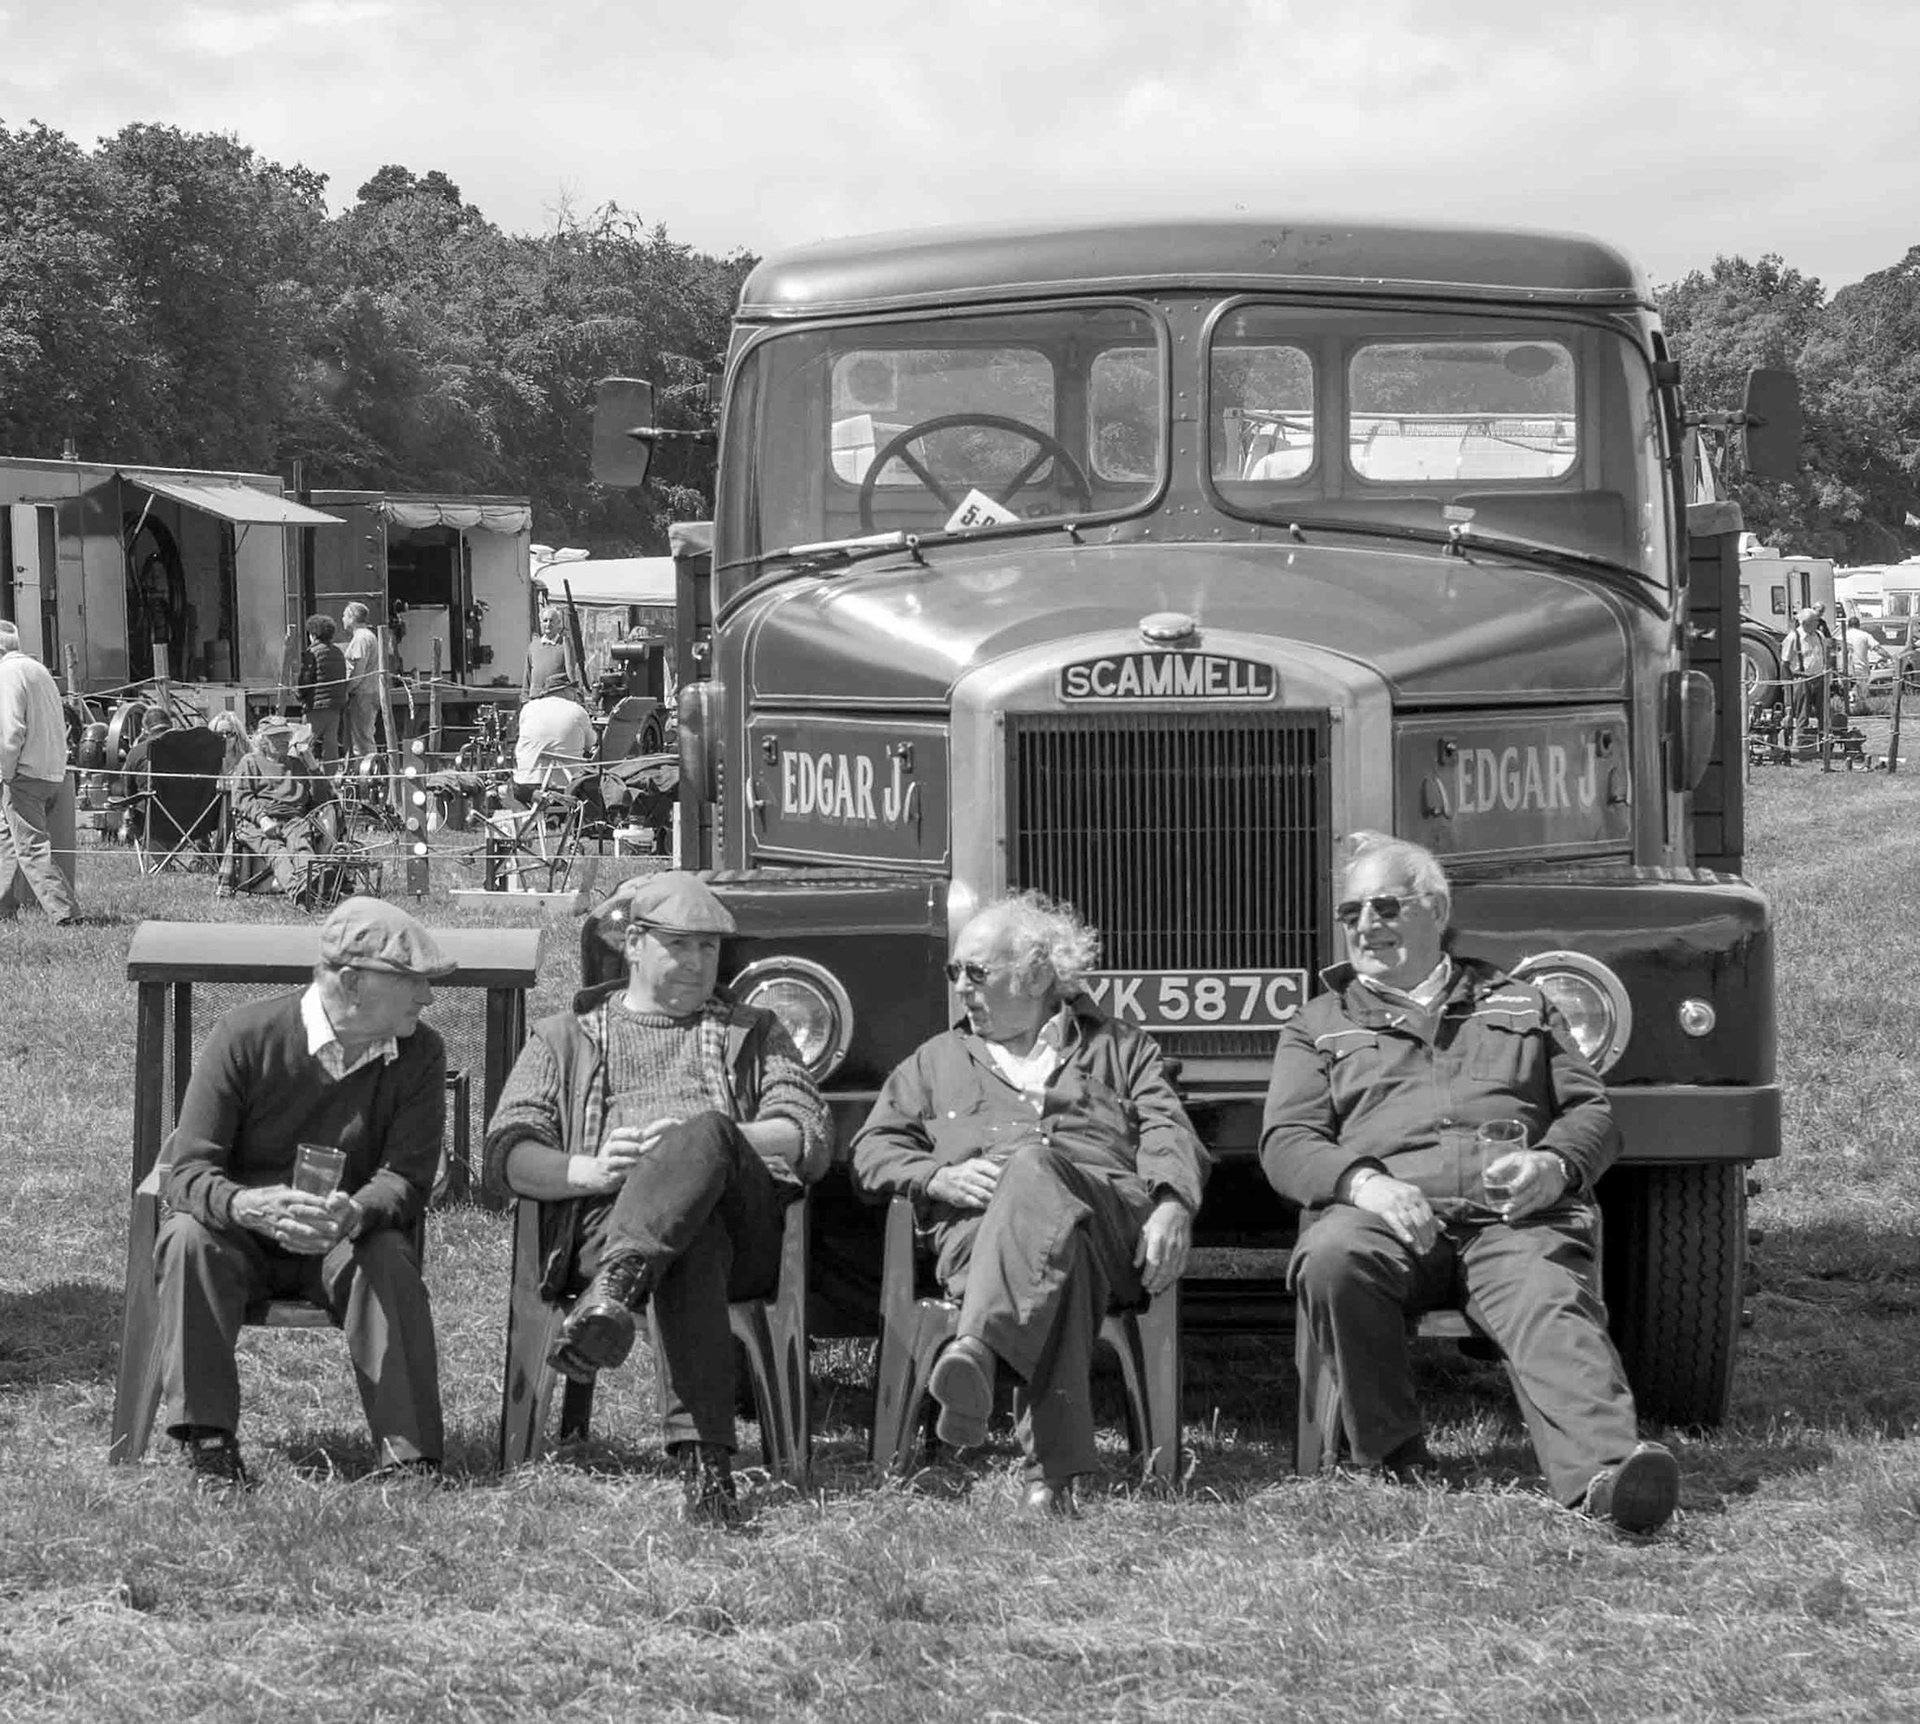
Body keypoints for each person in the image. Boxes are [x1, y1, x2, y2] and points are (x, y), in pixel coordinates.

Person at [1261, 832, 1680, 1534]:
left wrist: (1554, 1166)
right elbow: (1287, 1142)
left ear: (1435, 910)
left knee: (1549, 1299)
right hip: (1386, 1220)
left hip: (1513, 1222)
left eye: (1387, 907)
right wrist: (1365, 1185)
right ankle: (1390, 1458)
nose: (1367, 926)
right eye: (1352, 912)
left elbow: (1592, 1113)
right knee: (1332, 1259)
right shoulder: (1320, 1023)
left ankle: (1608, 1480)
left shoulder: (1521, 1003)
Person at [483, 871, 830, 1524]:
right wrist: (588, 1170)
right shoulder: (569, 1034)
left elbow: (806, 1131)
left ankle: (617, 1291)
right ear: (635, 944)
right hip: (610, 1223)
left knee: (702, 1136)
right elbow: (508, 1151)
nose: (701, 963)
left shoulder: (753, 1030)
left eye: (711, 948)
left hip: (746, 1227)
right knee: (692, 1244)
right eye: (682, 945)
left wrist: (717, 1141)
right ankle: (706, 1471)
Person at [851, 891, 1209, 1516]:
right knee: (1055, 1255)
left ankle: (980, 1350)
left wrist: (1175, 1202)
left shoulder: (1121, 1048)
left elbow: (1170, 1130)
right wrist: (934, 1178)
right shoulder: (934, 1061)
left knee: (1035, 1165)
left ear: (1038, 974)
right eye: (954, 972)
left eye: (977, 972)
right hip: (981, 1239)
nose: (961, 987)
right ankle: (1049, 1482)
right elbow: (871, 1148)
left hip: (1107, 1223)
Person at [155, 896, 453, 1487]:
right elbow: (187, 1170)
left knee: (388, 1257)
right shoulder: (246, 1036)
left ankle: (409, 1456)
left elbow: (408, 1178)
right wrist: (247, 1205)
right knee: (187, 1240)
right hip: (243, 1235)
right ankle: (208, 1443)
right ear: (351, 981)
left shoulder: (421, 1052)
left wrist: (355, 1211)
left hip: (342, 1240)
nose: (426, 996)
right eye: (411, 981)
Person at [0, 619, 77, 927]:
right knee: (7, 840)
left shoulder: (6, 674)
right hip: (49, 769)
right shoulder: (38, 670)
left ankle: (65, 912)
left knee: (31, 846)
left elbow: (9, 731)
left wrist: (5, 772)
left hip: (23, 773)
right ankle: (4, 906)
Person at [225, 715, 332, 899]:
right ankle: (300, 891)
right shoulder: (250, 762)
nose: (282, 740)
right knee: (276, 851)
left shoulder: (298, 765)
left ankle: (313, 883)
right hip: (258, 820)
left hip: (294, 819)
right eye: (275, 736)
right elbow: (241, 797)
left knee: (302, 847)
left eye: (285, 735)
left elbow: (322, 799)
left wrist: (313, 766)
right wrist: (262, 818)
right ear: (263, 740)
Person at [513, 670, 595, 804]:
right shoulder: (578, 711)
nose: (575, 694)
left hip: (528, 786)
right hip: (569, 786)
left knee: (511, 788)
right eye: (573, 690)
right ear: (565, 690)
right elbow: (591, 745)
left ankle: (532, 820)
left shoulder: (528, 708)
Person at [297, 614, 350, 763]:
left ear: (313, 634)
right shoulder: (338, 652)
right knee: (331, 745)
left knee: (306, 744)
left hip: (316, 706)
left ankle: (309, 777)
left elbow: (306, 679)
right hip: (335, 706)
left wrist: (300, 695)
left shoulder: (312, 653)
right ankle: (330, 778)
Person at [340, 601, 382, 761]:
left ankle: (369, 776)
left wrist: (347, 689)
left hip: (363, 694)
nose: (342, 618)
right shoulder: (366, 636)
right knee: (359, 737)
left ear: (352, 617)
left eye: (344, 615)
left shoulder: (361, 638)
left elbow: (358, 670)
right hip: (368, 692)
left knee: (363, 740)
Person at [1782, 607, 1830, 732]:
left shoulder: (1819, 636)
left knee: (1824, 713)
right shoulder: (1793, 637)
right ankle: (1802, 743)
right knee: (1802, 714)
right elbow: (1785, 663)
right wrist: (1790, 684)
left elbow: (1825, 656)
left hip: (1819, 678)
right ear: (1805, 623)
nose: (1818, 624)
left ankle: (1824, 744)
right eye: (1815, 622)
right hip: (1802, 679)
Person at [524, 604, 571, 702]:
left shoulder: (565, 645)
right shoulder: (533, 646)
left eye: (551, 620)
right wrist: (525, 698)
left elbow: (571, 674)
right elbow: (527, 675)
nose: (548, 624)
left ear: (559, 623)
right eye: (545, 620)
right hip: (535, 700)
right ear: (541, 623)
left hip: (557, 700)